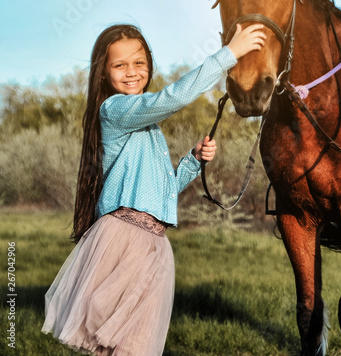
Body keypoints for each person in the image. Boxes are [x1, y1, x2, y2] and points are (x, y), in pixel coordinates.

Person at [41, 22, 266, 355]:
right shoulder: (115, 110)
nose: (131, 72)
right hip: (124, 239)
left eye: (139, 63)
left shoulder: (145, 124)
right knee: (111, 345)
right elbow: (170, 99)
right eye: (119, 65)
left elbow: (162, 193)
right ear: (103, 73)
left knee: (135, 347)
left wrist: (192, 161)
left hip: (155, 246)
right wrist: (229, 55)